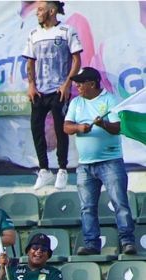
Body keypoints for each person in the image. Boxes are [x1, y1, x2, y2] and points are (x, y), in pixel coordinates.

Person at [63, 68, 138, 257]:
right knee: (87, 207)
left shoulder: (109, 100)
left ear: (92, 83)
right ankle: (91, 243)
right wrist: (79, 127)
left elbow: (118, 127)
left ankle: (127, 241)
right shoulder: (76, 103)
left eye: (81, 83)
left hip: (110, 161)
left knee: (119, 202)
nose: (77, 86)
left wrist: (103, 124)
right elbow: (66, 126)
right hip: (85, 165)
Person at [24, 1, 81, 192]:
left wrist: (67, 84)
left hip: (59, 89)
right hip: (40, 90)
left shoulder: (67, 31)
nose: (37, 13)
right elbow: (30, 62)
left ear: (52, 11)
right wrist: (31, 85)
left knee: (60, 129)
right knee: (36, 128)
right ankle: (44, 170)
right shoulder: (34, 34)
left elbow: (76, 60)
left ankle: (62, 169)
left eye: (40, 10)